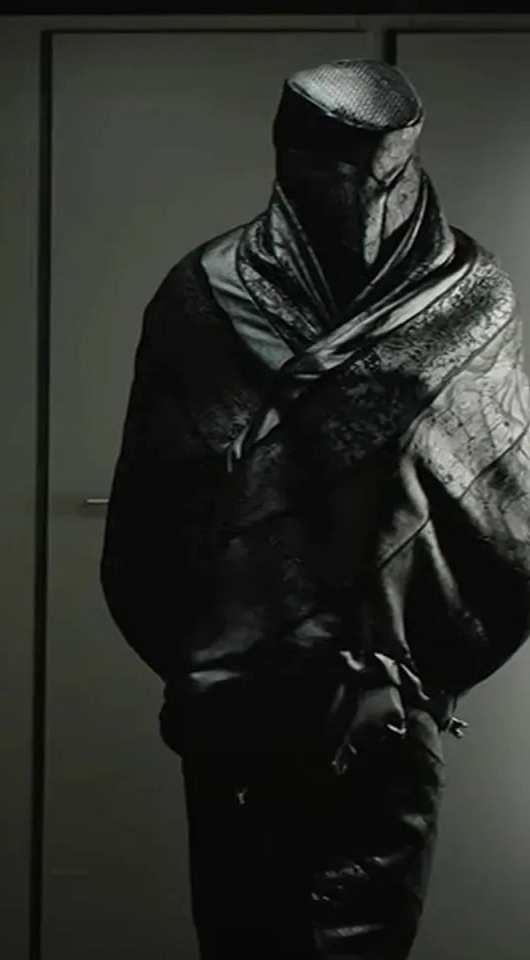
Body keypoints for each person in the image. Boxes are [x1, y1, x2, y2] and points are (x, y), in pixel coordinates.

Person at [101, 59, 530, 958]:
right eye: (327, 165)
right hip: (237, 684)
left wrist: (420, 673)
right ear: (285, 152)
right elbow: (156, 500)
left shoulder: (473, 298)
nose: (357, 197)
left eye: (379, 169)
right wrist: (208, 656)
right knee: (243, 924)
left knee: (370, 928)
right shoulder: (205, 293)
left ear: (410, 154)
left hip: (391, 691)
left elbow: (502, 503)